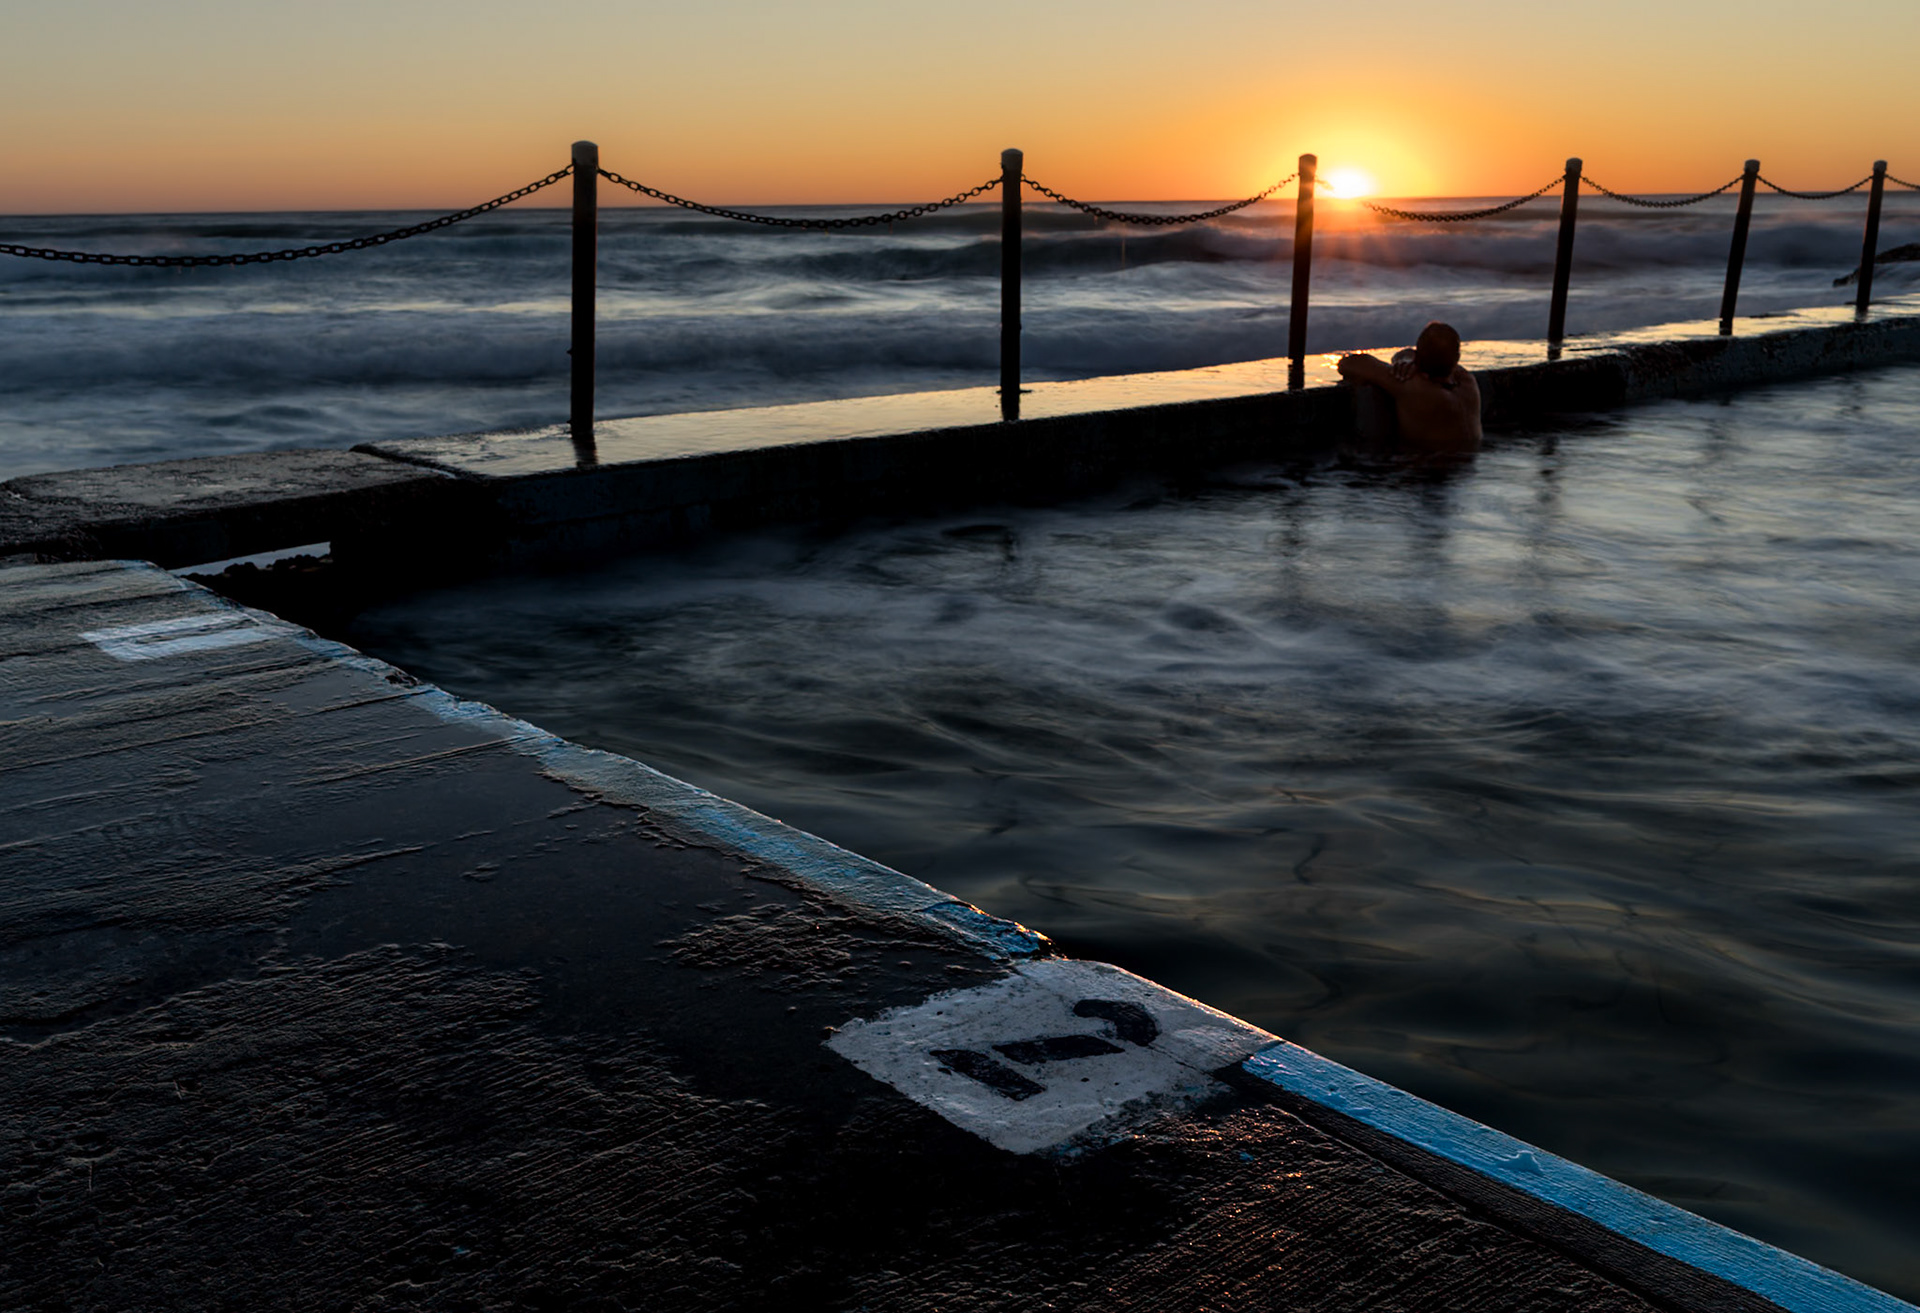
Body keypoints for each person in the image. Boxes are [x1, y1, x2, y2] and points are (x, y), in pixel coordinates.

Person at [1335, 321, 1482, 458]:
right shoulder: (1468, 382)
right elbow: (1408, 353)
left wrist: (1404, 363)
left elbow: (1348, 364)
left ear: (1418, 356)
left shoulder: (1415, 388)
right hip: (1468, 467)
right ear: (1457, 357)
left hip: (1428, 470)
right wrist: (1407, 360)